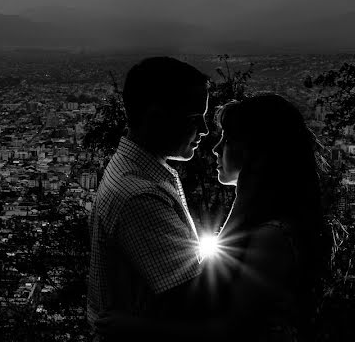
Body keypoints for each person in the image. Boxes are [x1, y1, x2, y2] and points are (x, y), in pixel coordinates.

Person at [97, 93, 331, 341]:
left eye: (227, 140)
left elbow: (227, 331)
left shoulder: (271, 236)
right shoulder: (271, 223)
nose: (216, 149)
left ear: (254, 152)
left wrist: (135, 328)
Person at [87, 57, 211, 337]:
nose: (204, 130)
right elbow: (198, 301)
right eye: (194, 118)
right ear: (156, 117)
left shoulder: (135, 170)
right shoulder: (140, 196)